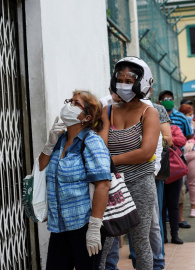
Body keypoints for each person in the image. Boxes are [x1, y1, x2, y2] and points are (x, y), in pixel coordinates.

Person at [39, 90, 112, 270]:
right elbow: (41, 168)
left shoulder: (92, 142)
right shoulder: (60, 140)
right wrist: (49, 144)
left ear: (86, 117)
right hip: (59, 225)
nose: (68, 105)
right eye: (69, 101)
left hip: (84, 226)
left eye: (75, 103)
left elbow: (103, 185)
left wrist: (94, 228)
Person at [100, 56, 160, 269]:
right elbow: (101, 146)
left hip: (140, 183)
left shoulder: (149, 112)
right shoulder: (107, 111)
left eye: (128, 80)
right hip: (110, 185)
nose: (123, 84)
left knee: (140, 239)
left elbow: (146, 152)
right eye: (120, 79)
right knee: (104, 239)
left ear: (141, 83)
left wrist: (112, 160)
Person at [158, 91, 193, 230]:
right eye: (164, 99)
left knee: (179, 194)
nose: (168, 101)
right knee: (163, 198)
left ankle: (180, 219)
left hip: (176, 160)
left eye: (170, 99)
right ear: (160, 101)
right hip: (160, 161)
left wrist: (171, 140)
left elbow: (186, 137)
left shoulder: (180, 117)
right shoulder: (155, 114)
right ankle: (165, 228)